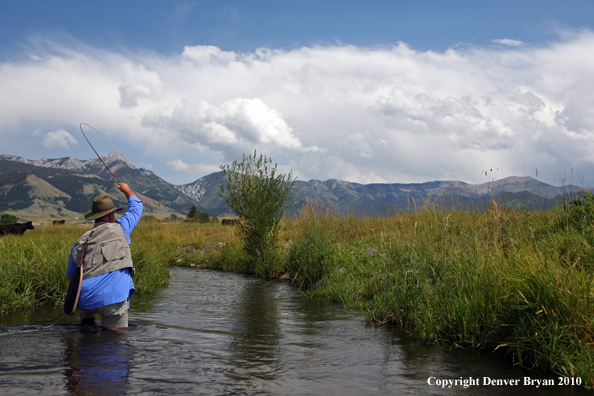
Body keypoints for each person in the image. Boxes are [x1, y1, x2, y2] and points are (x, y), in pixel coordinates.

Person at [66, 183, 143, 333]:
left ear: (95, 217)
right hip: (113, 298)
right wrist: (126, 190)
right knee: (116, 340)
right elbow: (137, 207)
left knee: (86, 315)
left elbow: (73, 277)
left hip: (85, 299)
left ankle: (87, 326)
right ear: (110, 216)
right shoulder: (121, 227)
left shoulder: (80, 242)